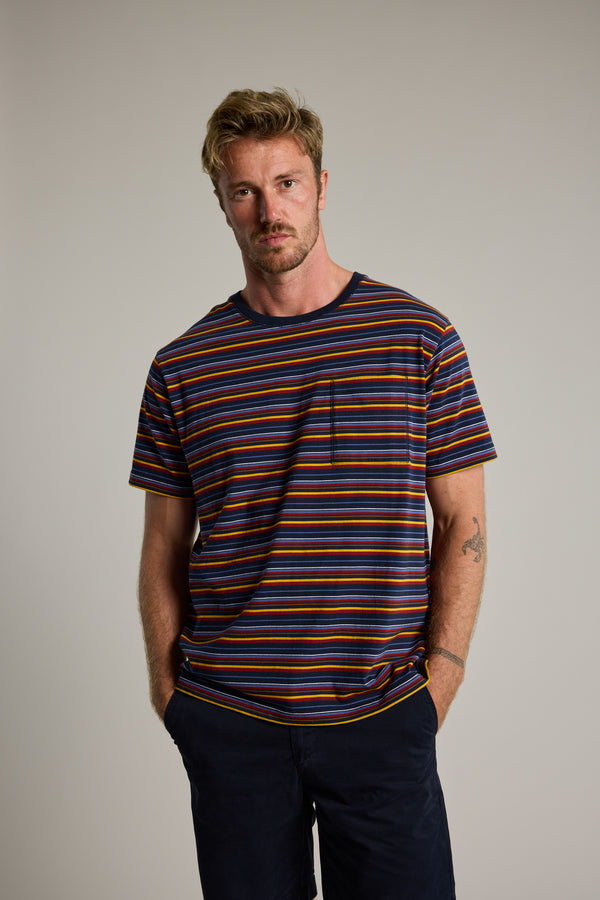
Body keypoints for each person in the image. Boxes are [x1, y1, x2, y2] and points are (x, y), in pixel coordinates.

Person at [130, 88, 497, 900]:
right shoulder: (183, 366)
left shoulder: (419, 338)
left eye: (287, 183)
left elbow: (463, 522)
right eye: (245, 191)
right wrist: (171, 694)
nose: (270, 211)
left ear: (322, 187)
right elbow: (163, 545)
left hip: (382, 716)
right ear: (222, 202)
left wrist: (439, 682)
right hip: (231, 720)